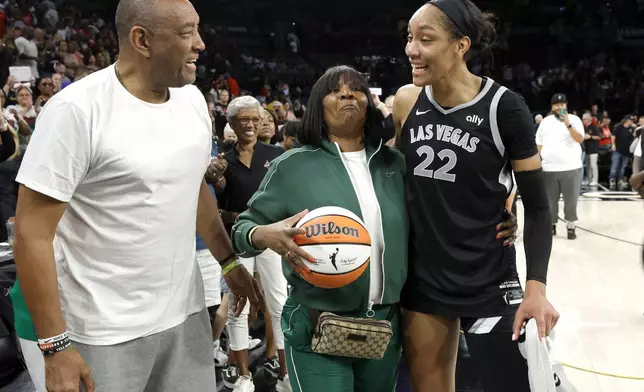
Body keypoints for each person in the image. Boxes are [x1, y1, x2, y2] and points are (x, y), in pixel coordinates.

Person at [10, 1, 261, 391]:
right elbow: (30, 233)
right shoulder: (76, 110)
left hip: (185, 314)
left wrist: (228, 261)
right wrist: (55, 346)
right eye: (185, 33)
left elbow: (193, 187)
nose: (200, 44)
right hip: (101, 330)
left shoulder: (193, 101)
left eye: (197, 29)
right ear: (141, 40)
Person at [231, 65, 519, 392]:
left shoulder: (395, 163)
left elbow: (444, 204)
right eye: (335, 90)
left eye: (356, 90)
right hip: (316, 328)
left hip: (382, 328)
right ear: (317, 107)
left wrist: (501, 214)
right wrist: (262, 234)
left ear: (369, 105)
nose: (346, 95)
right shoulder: (292, 166)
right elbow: (243, 228)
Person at [394, 1, 558, 391]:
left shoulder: (505, 108)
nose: (411, 50)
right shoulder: (405, 101)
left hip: (489, 281)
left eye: (425, 39)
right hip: (424, 281)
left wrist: (537, 288)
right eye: (409, 38)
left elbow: (537, 205)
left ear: (460, 45)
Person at [208, 96, 290, 392]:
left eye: (256, 119)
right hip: (237, 241)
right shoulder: (222, 163)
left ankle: (284, 372)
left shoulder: (275, 154)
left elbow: (284, 196)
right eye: (244, 120)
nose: (252, 125)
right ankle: (243, 375)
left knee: (280, 302)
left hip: (269, 237)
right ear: (231, 123)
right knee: (237, 306)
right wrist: (234, 211)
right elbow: (212, 211)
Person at [536, 93, 585, 239]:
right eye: (557, 105)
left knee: (571, 201)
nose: (560, 107)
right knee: (550, 201)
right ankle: (551, 226)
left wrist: (568, 124)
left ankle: (571, 225)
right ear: (552, 107)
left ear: (566, 106)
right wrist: (538, 164)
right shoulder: (545, 122)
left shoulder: (575, 120)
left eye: (562, 104)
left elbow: (580, 139)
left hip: (571, 167)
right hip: (548, 168)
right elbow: (539, 143)